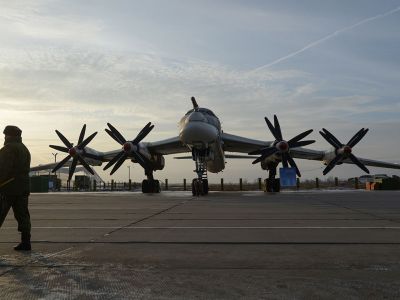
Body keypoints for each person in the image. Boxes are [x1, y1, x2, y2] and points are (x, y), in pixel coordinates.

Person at [0, 125, 32, 251]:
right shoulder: (24, 149)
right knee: (23, 215)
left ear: (9, 135)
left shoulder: (8, 149)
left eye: (6, 134)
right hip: (23, 187)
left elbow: (3, 169)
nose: (4, 137)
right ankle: (26, 242)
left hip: (8, 188)